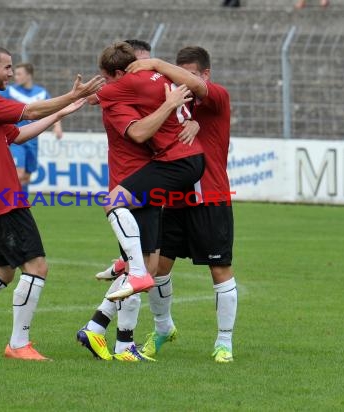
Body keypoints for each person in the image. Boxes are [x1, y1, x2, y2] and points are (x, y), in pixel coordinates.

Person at [0, 45, 104, 360]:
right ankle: (18, 344)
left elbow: (18, 134)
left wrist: (63, 111)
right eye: (7, 68)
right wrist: (70, 96)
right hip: (4, 200)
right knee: (37, 266)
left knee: (3, 272)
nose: (11, 74)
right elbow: (29, 111)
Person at [76, 40, 200, 362]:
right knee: (141, 268)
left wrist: (191, 119)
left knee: (149, 266)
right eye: (135, 66)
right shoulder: (118, 102)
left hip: (151, 180)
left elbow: (188, 103)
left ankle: (101, 330)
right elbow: (140, 133)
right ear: (121, 72)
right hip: (131, 183)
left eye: (145, 64)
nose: (142, 72)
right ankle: (120, 341)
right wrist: (169, 105)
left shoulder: (141, 88)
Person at [126, 46, 237, 363]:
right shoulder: (172, 105)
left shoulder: (217, 96)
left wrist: (158, 63)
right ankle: (163, 328)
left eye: (188, 75)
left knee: (219, 269)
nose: (183, 83)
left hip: (210, 197)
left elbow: (200, 92)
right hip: (175, 197)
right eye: (179, 75)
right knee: (158, 268)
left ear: (205, 74)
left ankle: (224, 342)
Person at [95, 42, 206, 302]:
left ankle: (134, 271)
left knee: (112, 202)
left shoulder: (125, 84)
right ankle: (128, 270)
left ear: (118, 74)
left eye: (106, 77)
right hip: (188, 158)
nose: (104, 82)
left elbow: (91, 98)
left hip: (176, 161)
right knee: (148, 257)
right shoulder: (163, 75)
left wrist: (73, 99)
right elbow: (199, 89)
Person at [0, 63, 62, 193]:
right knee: (18, 174)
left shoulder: (41, 93)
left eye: (19, 74)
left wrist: (57, 126)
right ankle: (10, 206)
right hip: (16, 139)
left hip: (33, 141)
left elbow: (53, 110)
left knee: (26, 177)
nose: (15, 77)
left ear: (29, 75)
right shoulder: (10, 91)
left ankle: (22, 207)